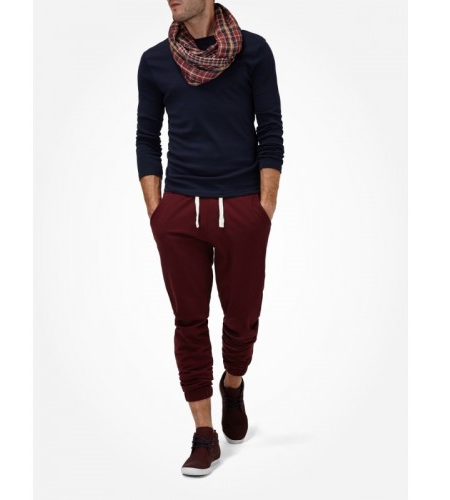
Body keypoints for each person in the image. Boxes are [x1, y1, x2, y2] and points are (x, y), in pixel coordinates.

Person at [135, 0, 284, 476]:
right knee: (189, 321)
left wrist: (263, 209)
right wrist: (158, 212)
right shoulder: (155, 61)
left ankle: (233, 384)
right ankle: (204, 433)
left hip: (241, 206)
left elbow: (271, 131)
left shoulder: (254, 52)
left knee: (241, 319)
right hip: (180, 210)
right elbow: (146, 138)